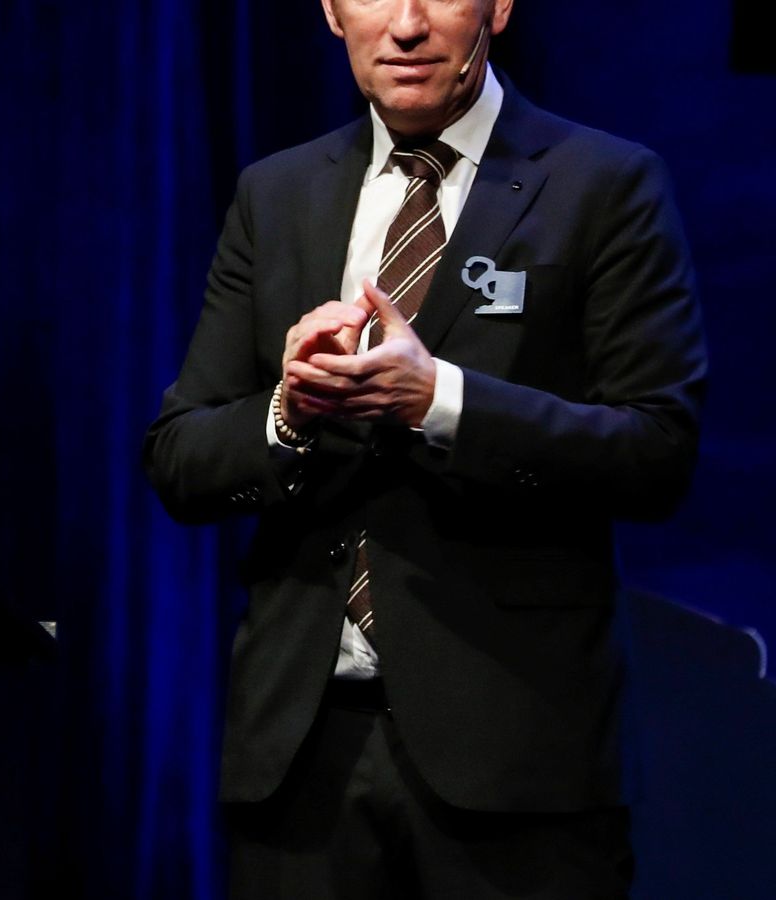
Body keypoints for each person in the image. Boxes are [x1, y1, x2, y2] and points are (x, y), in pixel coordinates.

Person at [143, 1, 706, 897]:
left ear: (499, 6)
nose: (406, 25)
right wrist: (289, 411)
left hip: (518, 757)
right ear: (331, 12)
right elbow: (181, 458)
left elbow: (657, 451)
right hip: (302, 757)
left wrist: (439, 400)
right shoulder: (276, 193)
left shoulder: (603, 183)